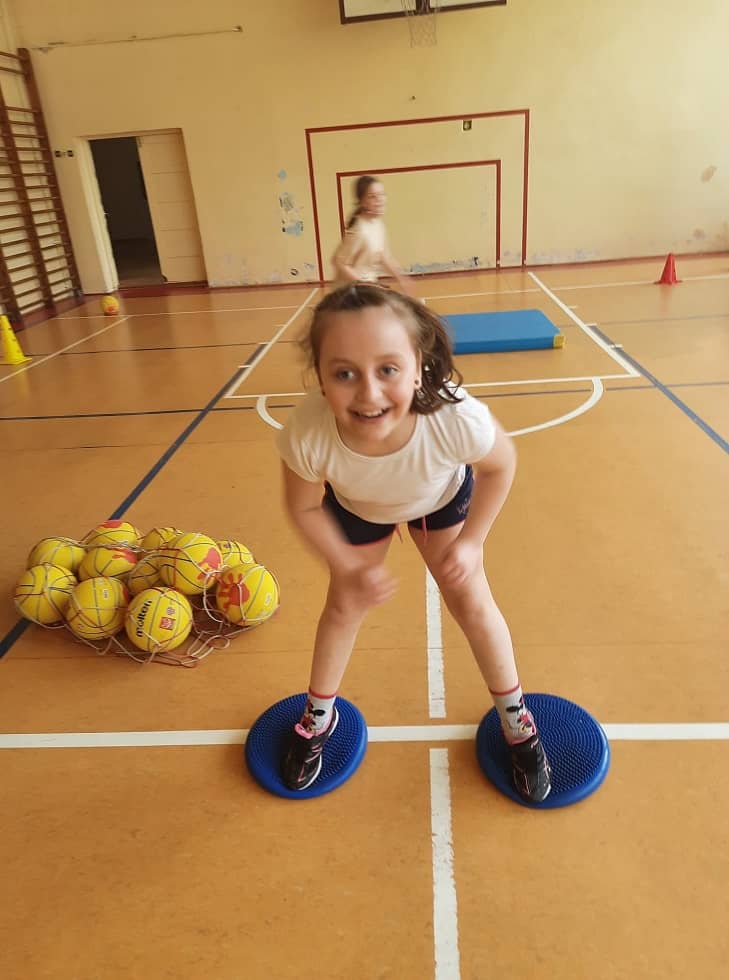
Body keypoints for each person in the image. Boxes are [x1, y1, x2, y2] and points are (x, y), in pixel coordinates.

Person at [275, 283, 551, 803]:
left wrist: (473, 543)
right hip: (358, 508)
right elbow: (304, 507)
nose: (369, 394)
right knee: (343, 607)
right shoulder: (308, 432)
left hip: (439, 500)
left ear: (419, 367)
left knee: (471, 600)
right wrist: (347, 566)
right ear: (320, 378)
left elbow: (501, 465)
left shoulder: (453, 419)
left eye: (388, 369)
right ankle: (318, 717)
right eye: (344, 374)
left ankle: (517, 720)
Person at [331, 175, 415, 296]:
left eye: (381, 194)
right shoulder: (359, 230)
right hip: (349, 293)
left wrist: (401, 278)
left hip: (367, 288)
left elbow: (383, 256)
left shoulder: (378, 225)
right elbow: (338, 262)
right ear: (362, 202)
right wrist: (362, 284)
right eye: (372, 196)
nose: (379, 200)